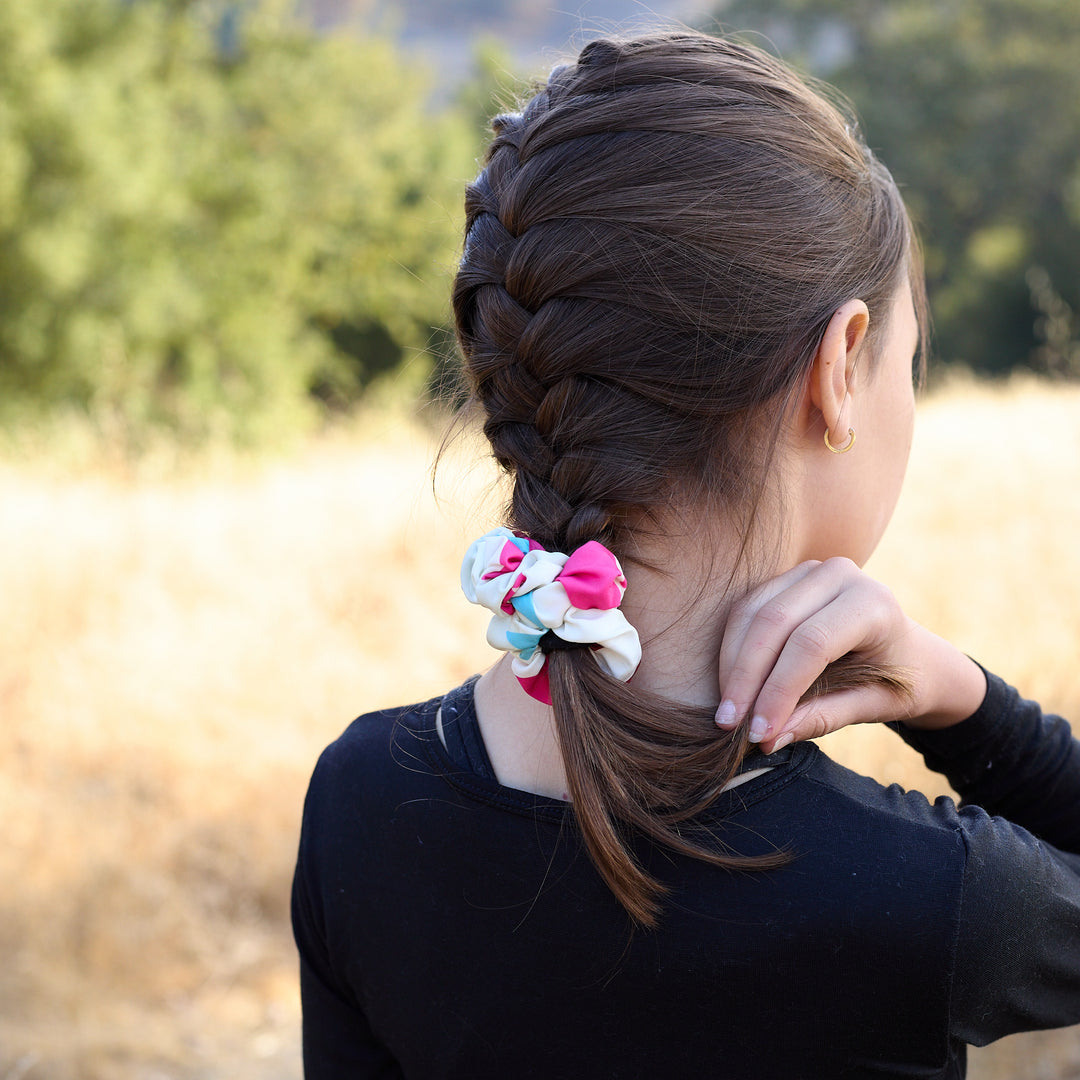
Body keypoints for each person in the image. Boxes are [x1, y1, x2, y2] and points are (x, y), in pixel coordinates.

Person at [291, 31, 1080, 1079]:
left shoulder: (362, 806)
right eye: (908, 362)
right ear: (840, 366)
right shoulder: (930, 895)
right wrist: (965, 704)